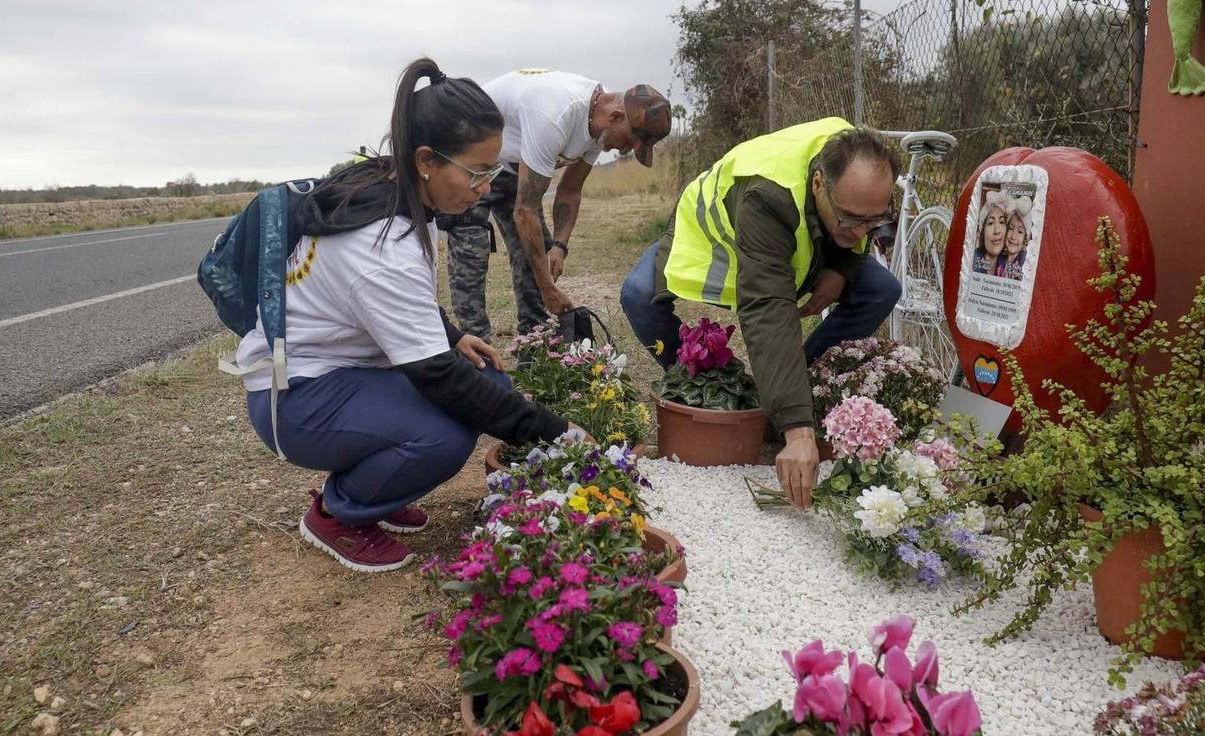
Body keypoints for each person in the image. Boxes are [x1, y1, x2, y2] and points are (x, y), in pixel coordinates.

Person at [231, 58, 574, 572]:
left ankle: (378, 491)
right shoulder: (382, 245)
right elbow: (437, 376)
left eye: (495, 170)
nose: (487, 187)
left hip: (336, 374)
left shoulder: (395, 190)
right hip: (296, 400)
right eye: (478, 172)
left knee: (491, 386)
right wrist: (558, 432)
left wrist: (454, 335)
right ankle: (337, 514)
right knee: (447, 433)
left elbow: (390, 304)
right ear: (426, 160)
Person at [619, 119, 904, 511]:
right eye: (850, 218)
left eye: (873, 220)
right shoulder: (768, 193)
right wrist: (799, 431)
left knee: (882, 288)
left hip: (792, 244)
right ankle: (720, 388)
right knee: (637, 295)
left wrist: (842, 267)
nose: (861, 232)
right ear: (820, 184)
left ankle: (789, 385)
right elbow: (769, 307)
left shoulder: (854, 156)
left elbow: (857, 221)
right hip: (714, 244)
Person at [445, 69, 671, 340]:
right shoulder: (555, 116)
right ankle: (477, 353)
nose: (625, 150)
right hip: (470, 160)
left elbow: (570, 190)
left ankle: (534, 345)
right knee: (472, 255)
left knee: (537, 252)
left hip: (514, 166)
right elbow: (524, 211)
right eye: (630, 141)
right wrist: (548, 289)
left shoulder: (600, 123)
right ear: (616, 117)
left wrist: (559, 247)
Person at [970, 193, 1009, 274]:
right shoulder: (972, 263)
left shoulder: (1008, 263)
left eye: (1002, 222)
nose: (997, 231)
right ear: (982, 232)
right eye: (991, 223)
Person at [998, 197, 1032, 281]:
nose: (1013, 236)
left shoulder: (1025, 262)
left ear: (1025, 238)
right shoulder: (999, 259)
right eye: (1011, 228)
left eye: (1020, 232)